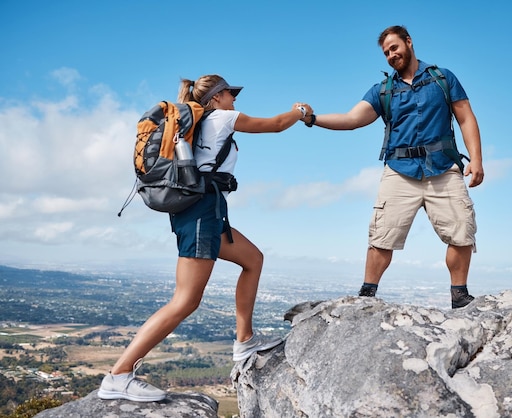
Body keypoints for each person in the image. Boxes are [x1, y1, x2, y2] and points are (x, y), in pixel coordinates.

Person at [98, 75, 313, 402]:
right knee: (185, 300)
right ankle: (120, 374)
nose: (234, 99)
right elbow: (276, 124)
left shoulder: (201, 124)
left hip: (205, 210)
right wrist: (300, 111)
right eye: (230, 93)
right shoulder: (222, 118)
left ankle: (244, 343)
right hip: (201, 212)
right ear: (215, 97)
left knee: (253, 259)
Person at [301, 25, 484, 309]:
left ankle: (459, 295)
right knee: (382, 236)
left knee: (461, 232)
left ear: (409, 42)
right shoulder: (383, 90)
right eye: (386, 52)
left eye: (394, 47)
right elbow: (351, 119)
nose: (391, 55)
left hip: (444, 167)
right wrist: (313, 119)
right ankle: (367, 295)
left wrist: (477, 159)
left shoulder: (442, 78)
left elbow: (465, 118)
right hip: (400, 170)